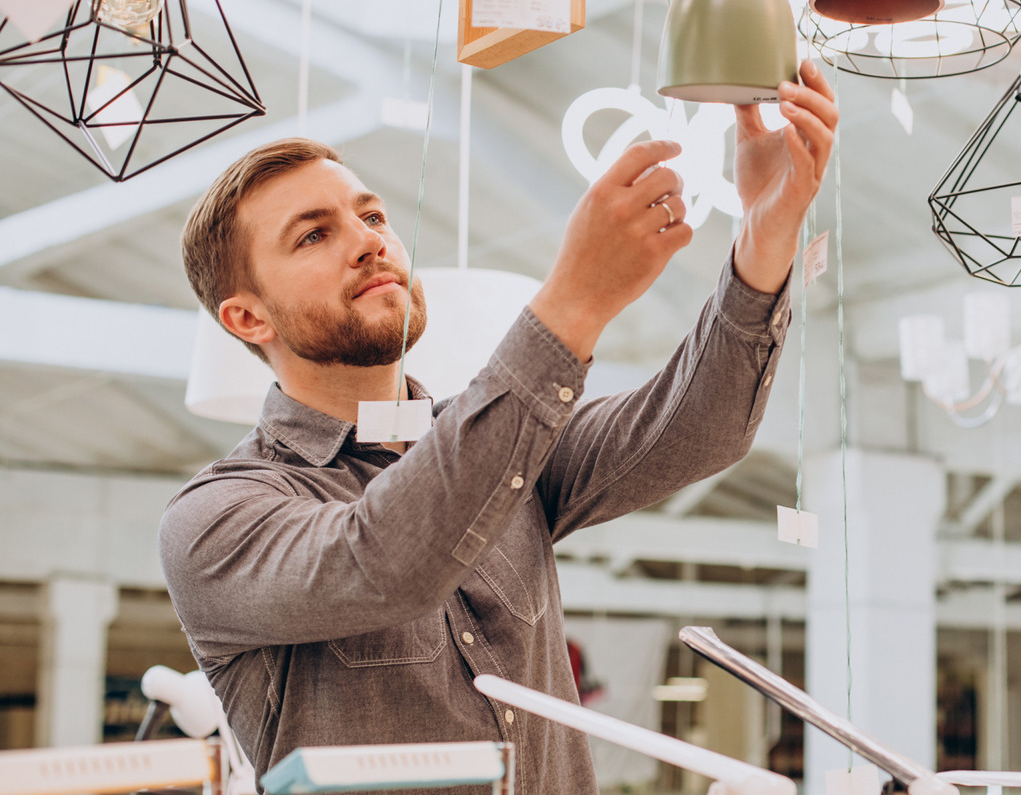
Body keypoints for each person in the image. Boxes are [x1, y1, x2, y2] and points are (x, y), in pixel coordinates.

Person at [160, 61, 839, 794]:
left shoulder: (505, 448)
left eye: (373, 216)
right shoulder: (216, 519)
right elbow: (385, 561)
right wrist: (572, 302)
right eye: (313, 236)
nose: (368, 241)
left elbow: (700, 428)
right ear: (247, 317)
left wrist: (765, 237)